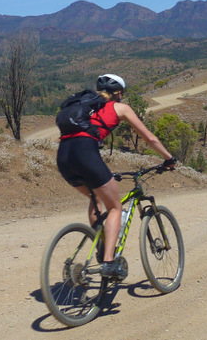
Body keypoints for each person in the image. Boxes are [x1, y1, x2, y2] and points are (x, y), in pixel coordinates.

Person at [56, 73, 176, 278]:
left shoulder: (83, 107)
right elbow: (149, 138)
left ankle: (101, 241)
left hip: (63, 157)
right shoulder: (120, 108)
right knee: (115, 207)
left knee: (96, 198)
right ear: (118, 93)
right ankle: (109, 262)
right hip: (86, 153)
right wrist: (169, 158)